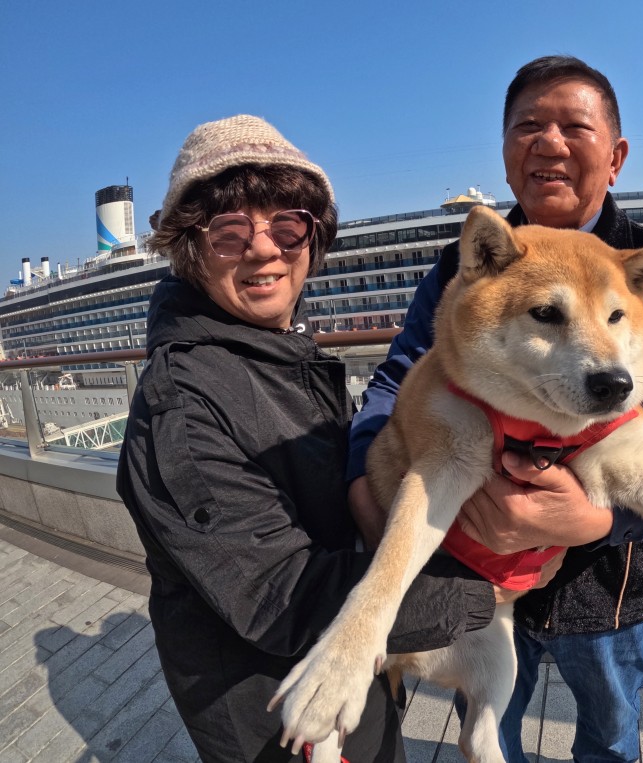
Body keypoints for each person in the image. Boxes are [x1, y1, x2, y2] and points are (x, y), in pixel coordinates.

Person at [115, 115, 557, 762]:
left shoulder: (278, 353)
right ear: (189, 249)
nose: (264, 250)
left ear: (313, 236)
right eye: (228, 233)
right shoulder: (181, 403)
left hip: (344, 670)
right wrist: (486, 585)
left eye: (288, 226)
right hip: (271, 706)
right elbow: (277, 594)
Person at [347, 57, 643, 762]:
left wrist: (597, 520)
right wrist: (361, 484)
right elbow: (396, 382)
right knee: (490, 737)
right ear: (505, 151)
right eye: (528, 126)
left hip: (613, 585)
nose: (549, 142)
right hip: (473, 572)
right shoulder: (469, 265)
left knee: (610, 740)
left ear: (615, 157)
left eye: (574, 127)